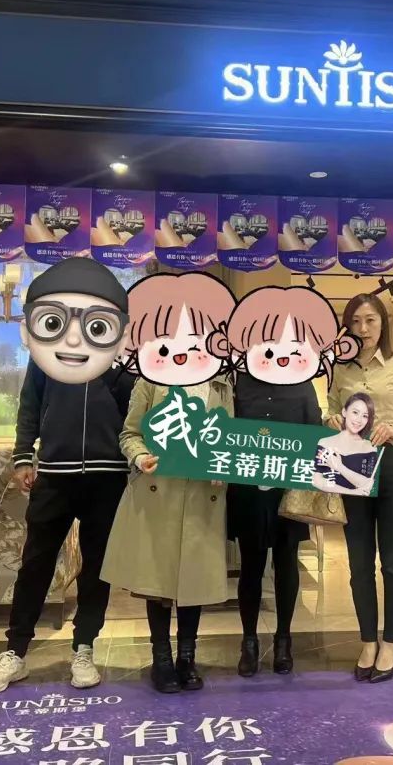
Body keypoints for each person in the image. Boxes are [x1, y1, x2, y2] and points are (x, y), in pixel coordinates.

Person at [0, 257, 133, 695]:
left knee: (97, 568)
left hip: (108, 478)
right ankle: (15, 652)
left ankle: (84, 648)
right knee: (36, 564)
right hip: (54, 476)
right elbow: (28, 407)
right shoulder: (46, 360)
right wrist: (23, 457)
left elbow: (134, 419)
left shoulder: (121, 364)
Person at [208, 286, 357, 677]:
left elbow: (314, 431)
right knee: (252, 564)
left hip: (291, 491)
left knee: (288, 563)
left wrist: (334, 435)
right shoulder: (238, 381)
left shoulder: (302, 383)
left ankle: (285, 639)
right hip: (248, 491)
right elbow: (224, 429)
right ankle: (249, 641)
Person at [101, 272, 236, 693]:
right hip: (158, 493)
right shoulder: (150, 378)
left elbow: (228, 440)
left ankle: (187, 658)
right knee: (158, 583)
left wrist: (224, 467)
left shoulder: (222, 383)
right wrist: (140, 456)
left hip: (202, 496)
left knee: (193, 581)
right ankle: (161, 658)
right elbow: (130, 433)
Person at [328, 292, 393, 685]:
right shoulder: (339, 369)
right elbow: (330, 409)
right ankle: (368, 640)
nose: (363, 328)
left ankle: (392, 641)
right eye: (355, 322)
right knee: (358, 562)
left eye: (370, 320)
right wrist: (332, 419)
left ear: (383, 324)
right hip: (352, 466)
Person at [313, 392, 380, 498]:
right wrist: (353, 492)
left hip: (358, 502)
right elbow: (316, 480)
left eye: (365, 416)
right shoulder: (325, 442)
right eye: (355, 412)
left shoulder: (370, 447)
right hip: (329, 502)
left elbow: (368, 485)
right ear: (344, 412)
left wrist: (340, 467)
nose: (359, 420)